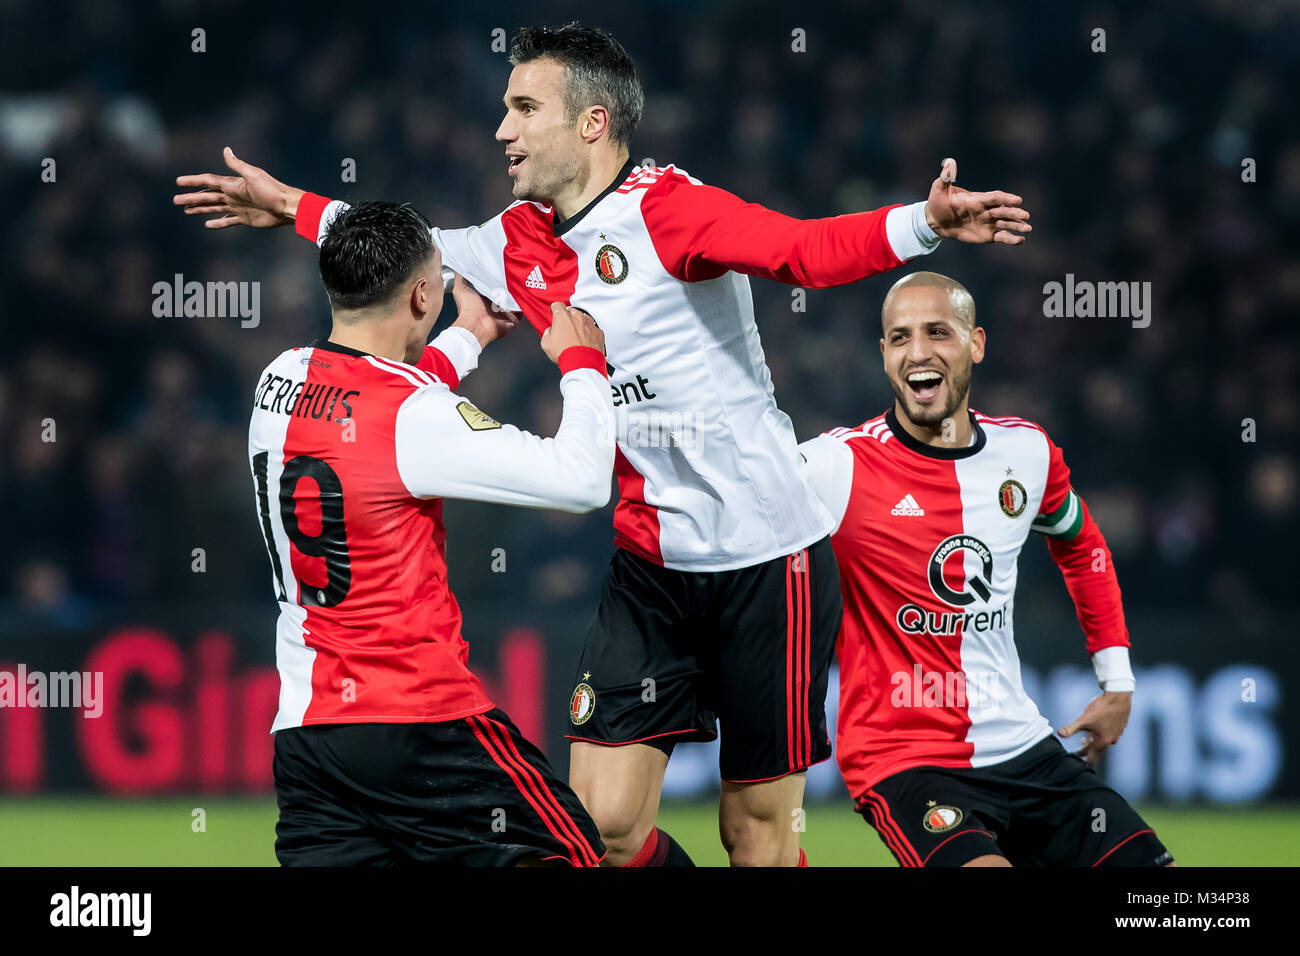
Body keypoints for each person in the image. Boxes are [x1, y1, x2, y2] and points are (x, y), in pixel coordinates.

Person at [176, 22, 1031, 867]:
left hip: (768, 558)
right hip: (649, 564)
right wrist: (290, 205)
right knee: (605, 832)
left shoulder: (671, 211)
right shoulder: (516, 241)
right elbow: (410, 249)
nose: (502, 130)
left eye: (523, 108)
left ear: (592, 123)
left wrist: (924, 222)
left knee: (757, 838)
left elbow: (801, 251)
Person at [252, 199, 614, 865]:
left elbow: (380, 412)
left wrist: (469, 335)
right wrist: (583, 365)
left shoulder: (280, 380)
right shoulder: (417, 414)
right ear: (423, 295)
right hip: (421, 725)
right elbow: (582, 480)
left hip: (309, 738)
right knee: (576, 854)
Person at [799, 271, 1173, 867]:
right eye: (900, 338)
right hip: (905, 761)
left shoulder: (1025, 454)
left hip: (1024, 746)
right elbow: (739, 521)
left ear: (975, 344)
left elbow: (1083, 547)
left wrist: (1118, 679)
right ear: (883, 355)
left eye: (937, 333)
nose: (918, 352)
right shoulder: (833, 466)